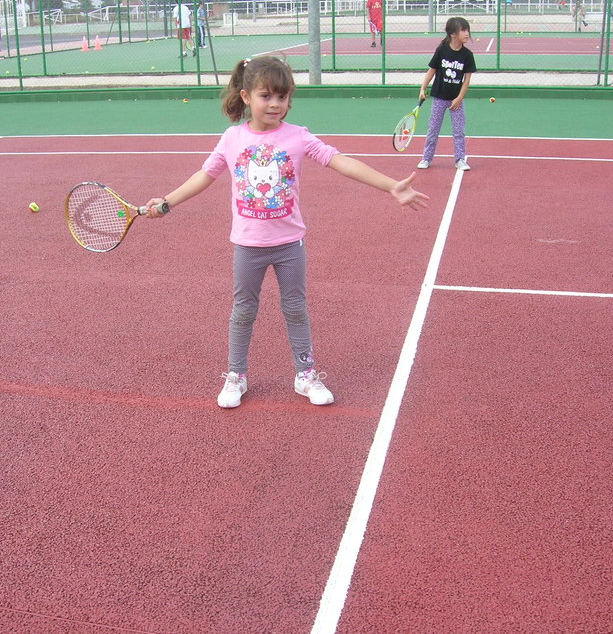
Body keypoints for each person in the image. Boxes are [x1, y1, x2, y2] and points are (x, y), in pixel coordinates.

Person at [143, 56, 429, 409]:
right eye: (266, 96)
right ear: (246, 96)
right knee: (243, 310)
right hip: (248, 246)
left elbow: (341, 162)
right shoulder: (232, 138)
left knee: (295, 309)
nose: (275, 104)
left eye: (282, 96)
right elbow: (205, 175)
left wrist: (391, 186)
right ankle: (236, 375)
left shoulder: (298, 136)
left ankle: (305, 375)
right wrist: (167, 202)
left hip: (289, 245)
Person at [417, 17, 477, 172]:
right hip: (439, 98)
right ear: (452, 33)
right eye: (463, 30)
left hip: (456, 100)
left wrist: (459, 98)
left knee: (459, 131)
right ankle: (426, 158)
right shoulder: (441, 50)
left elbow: (467, 80)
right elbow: (432, 70)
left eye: (467, 30)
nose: (467, 33)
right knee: (433, 130)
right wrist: (423, 88)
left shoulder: (467, 55)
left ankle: (459, 159)